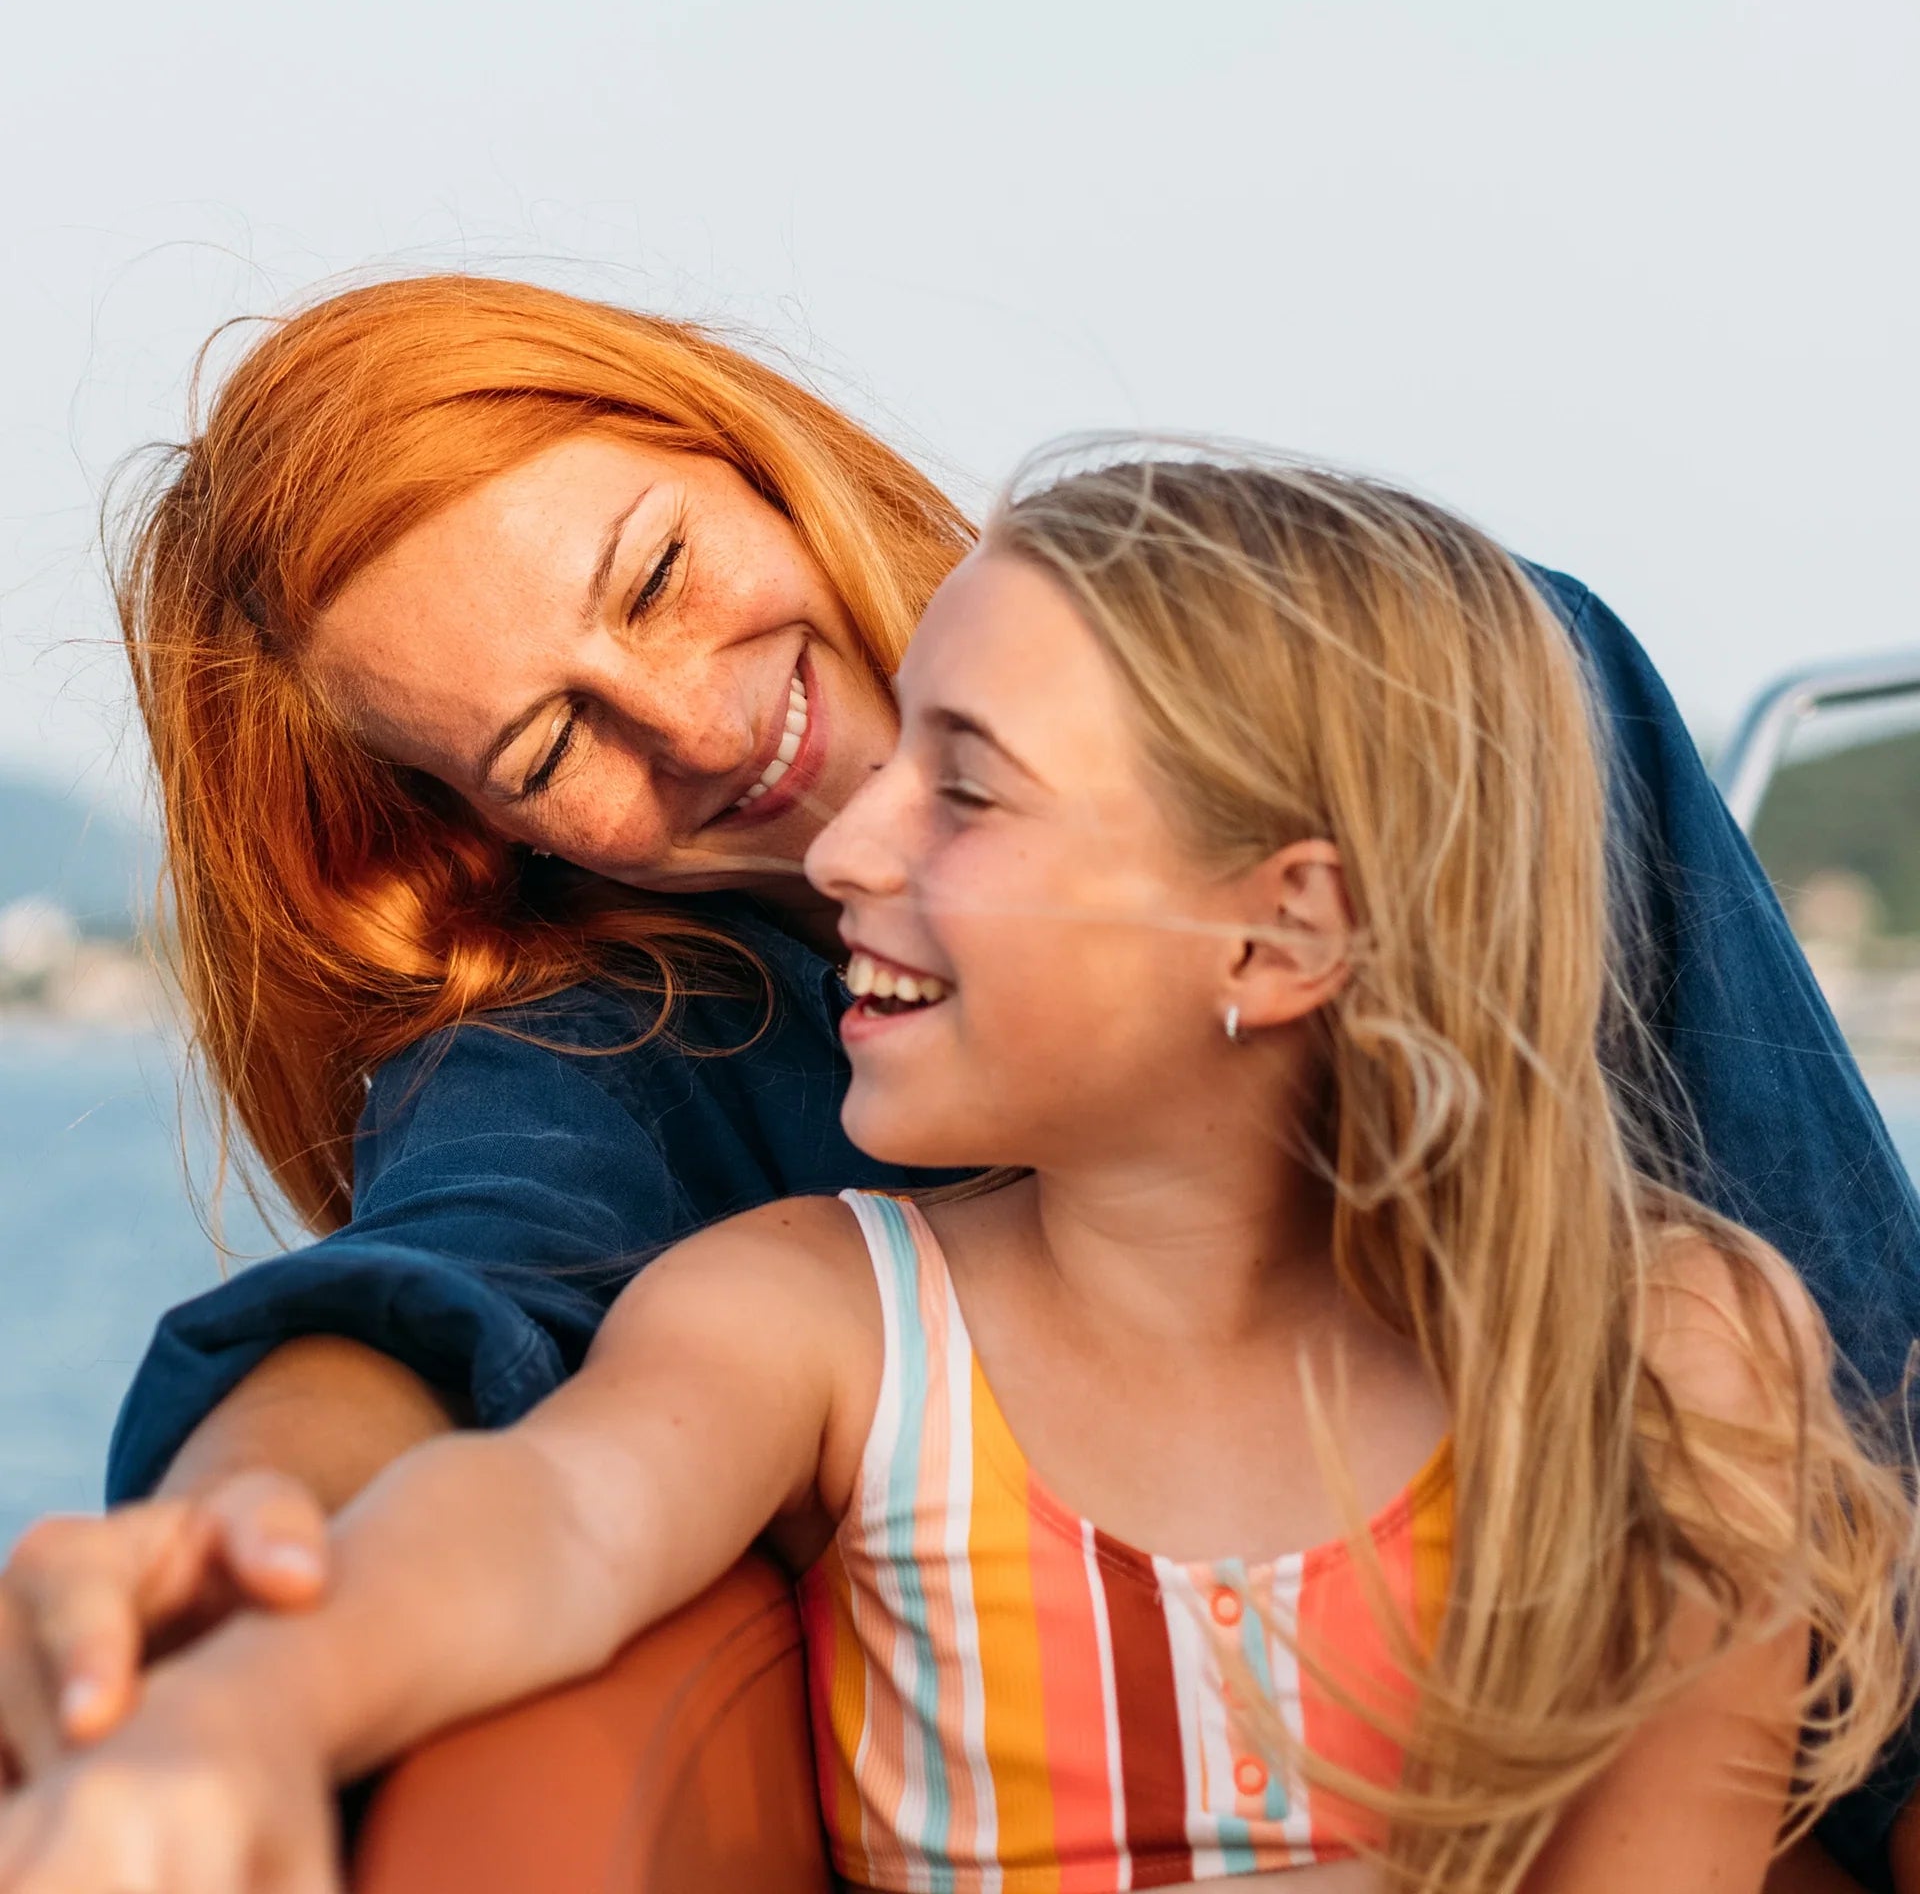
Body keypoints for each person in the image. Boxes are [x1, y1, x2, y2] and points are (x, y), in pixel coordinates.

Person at [0, 278, 1915, 1882]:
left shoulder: (1501, 714)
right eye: (544, 745)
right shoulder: (660, 1117)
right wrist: (223, 1610)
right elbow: (468, 1315)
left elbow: (1853, 1406)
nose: (693, 724)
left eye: (658, 574)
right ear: (499, 835)